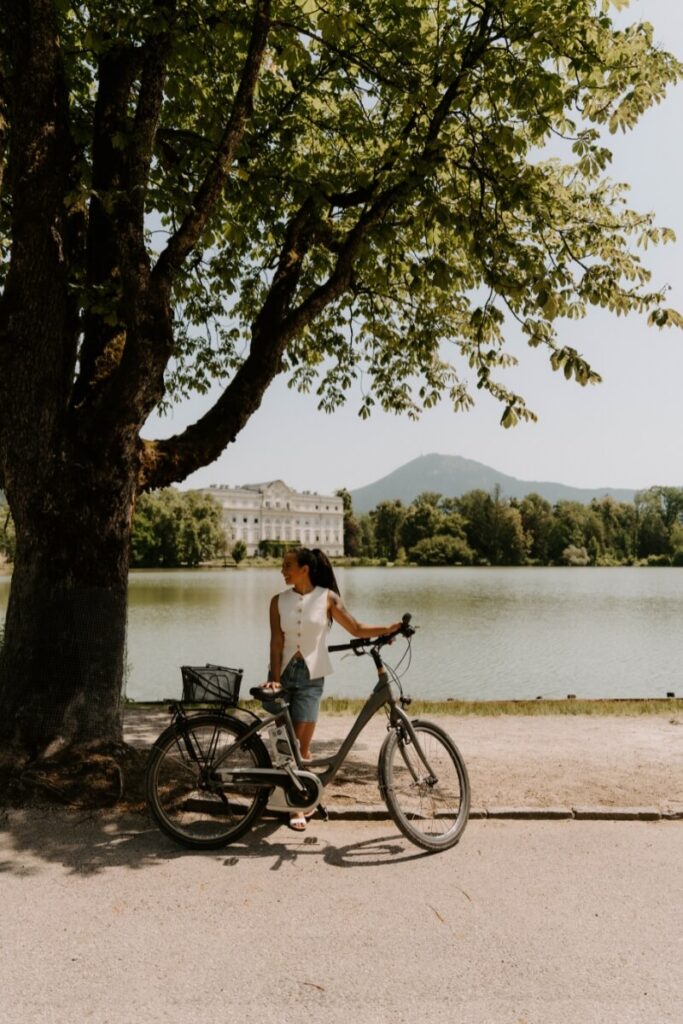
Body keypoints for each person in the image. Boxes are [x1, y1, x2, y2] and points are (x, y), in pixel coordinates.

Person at [259, 547, 401, 831]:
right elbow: (276, 642)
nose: (282, 570)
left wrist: (388, 629)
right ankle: (289, 799)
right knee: (285, 745)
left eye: (287, 565)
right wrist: (275, 679)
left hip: (312, 676)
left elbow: (357, 628)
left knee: (303, 746)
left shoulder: (327, 597)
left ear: (304, 569)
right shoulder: (277, 601)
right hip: (282, 675)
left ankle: (299, 802)